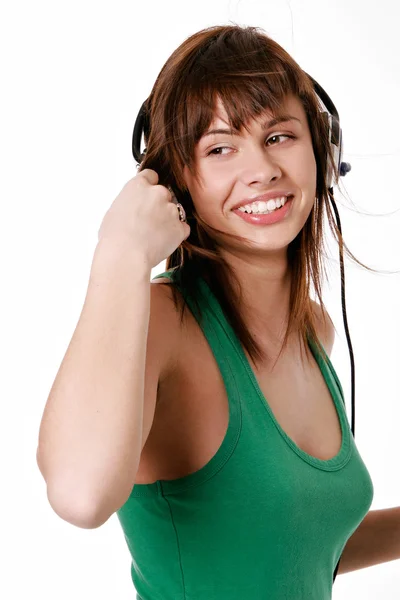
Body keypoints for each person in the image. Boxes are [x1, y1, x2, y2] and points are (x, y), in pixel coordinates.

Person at [37, 24, 375, 599]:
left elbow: (292, 550)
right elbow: (80, 496)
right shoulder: (161, 321)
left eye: (280, 136)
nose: (261, 169)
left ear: (323, 149)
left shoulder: (311, 328)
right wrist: (119, 254)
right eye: (219, 148)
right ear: (176, 182)